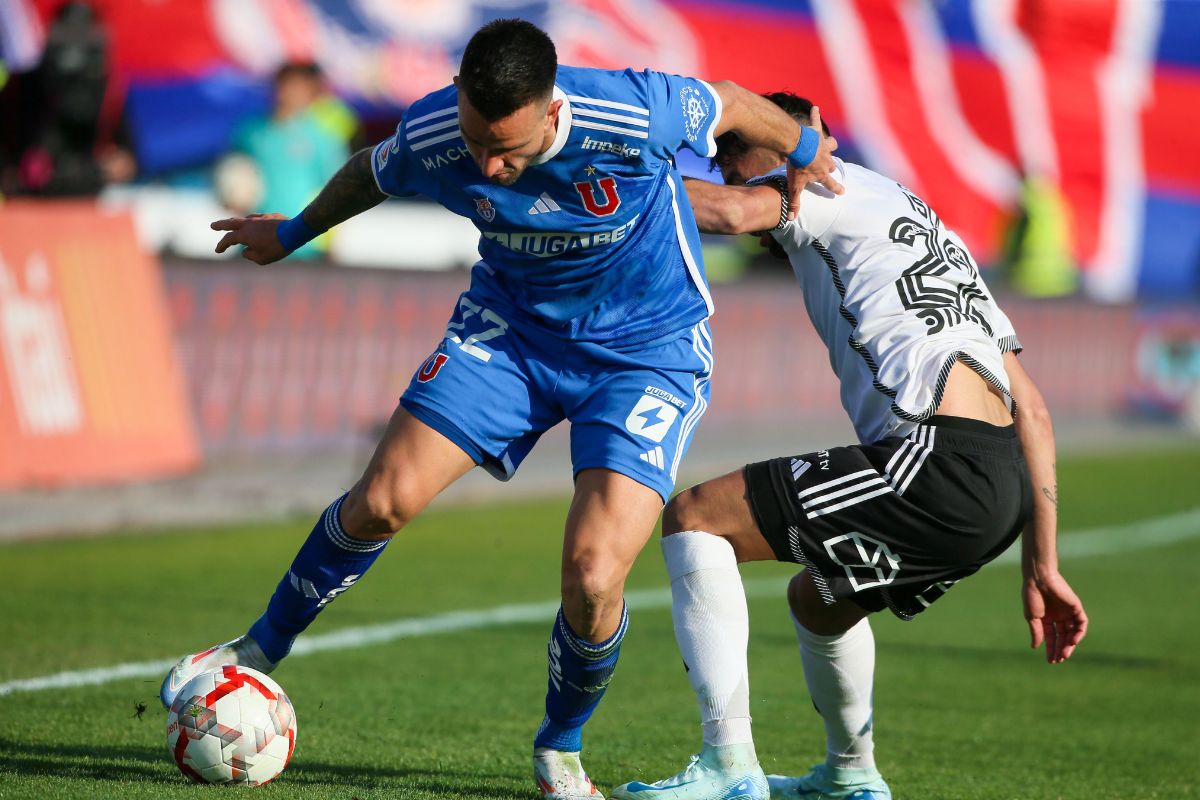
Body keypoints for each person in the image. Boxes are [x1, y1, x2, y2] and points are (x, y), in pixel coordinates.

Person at [157, 21, 841, 800]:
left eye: (506, 149)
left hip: (645, 352)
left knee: (592, 576)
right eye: (479, 140)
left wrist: (803, 150)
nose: (488, 164)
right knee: (380, 502)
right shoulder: (437, 128)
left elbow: (730, 105)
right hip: (509, 335)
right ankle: (256, 651)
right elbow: (370, 174)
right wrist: (291, 230)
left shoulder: (636, 110)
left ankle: (560, 748)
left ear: (552, 112)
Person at [610, 93, 1088, 800]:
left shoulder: (821, 184)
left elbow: (733, 213)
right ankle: (850, 773)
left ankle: (727, 766)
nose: (729, 174)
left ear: (788, 140)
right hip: (1001, 486)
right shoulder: (922, 223)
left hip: (935, 462)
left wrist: (592, 178)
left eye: (733, 155)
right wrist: (1041, 562)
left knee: (695, 516)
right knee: (820, 600)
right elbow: (1036, 412)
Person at [220, 62, 349, 258]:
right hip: (254, 241)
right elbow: (233, 175)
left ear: (311, 93)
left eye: (297, 87)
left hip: (304, 247)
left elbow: (339, 195)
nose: (287, 92)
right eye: (284, 85)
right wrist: (232, 198)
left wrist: (331, 246)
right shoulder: (250, 132)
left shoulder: (324, 139)